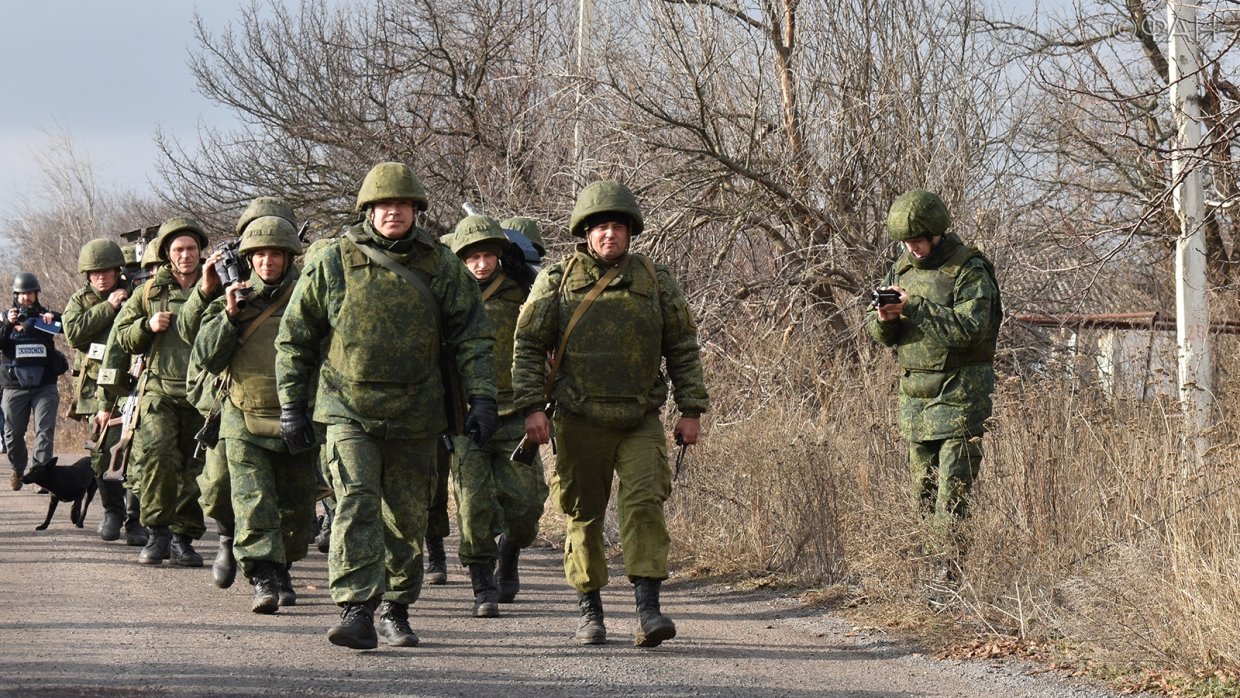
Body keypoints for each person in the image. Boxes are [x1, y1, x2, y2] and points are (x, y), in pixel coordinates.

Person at [276, 161, 498, 650]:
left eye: (401, 204)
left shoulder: (442, 266)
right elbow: (296, 338)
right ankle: (357, 608)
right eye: (383, 204)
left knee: (407, 515)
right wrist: (291, 403)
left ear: (415, 210)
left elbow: (474, 338)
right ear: (368, 210)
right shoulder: (333, 261)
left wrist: (483, 397)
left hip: (418, 412)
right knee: (356, 502)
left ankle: (397, 606)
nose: (392, 211)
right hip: (347, 408)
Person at [512, 180, 709, 648]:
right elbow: (526, 345)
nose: (609, 234)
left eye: (617, 226)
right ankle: (590, 609)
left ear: (630, 231)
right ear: (585, 232)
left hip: (639, 415)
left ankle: (648, 610)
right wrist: (530, 409)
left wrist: (691, 409)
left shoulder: (655, 279)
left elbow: (681, 346)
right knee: (583, 513)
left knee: (644, 504)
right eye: (600, 226)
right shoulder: (557, 279)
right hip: (577, 418)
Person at [864, 189, 1002, 573]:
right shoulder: (903, 268)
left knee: (952, 491)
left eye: (919, 240)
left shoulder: (969, 269)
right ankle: (925, 571)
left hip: (960, 394)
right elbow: (880, 336)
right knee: (920, 491)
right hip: (916, 398)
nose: (914, 248)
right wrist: (885, 319)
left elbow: (971, 330)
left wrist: (916, 307)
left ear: (938, 232)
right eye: (907, 242)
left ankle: (950, 575)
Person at [195, 215, 316, 614]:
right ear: (249, 258)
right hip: (242, 417)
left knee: (297, 505)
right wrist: (229, 315)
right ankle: (263, 576)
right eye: (259, 255)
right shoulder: (233, 298)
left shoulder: (310, 296)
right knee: (253, 501)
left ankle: (283, 568)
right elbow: (207, 358)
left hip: (299, 414)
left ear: (289, 257)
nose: (267, 262)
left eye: (275, 255)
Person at [447, 215, 549, 617]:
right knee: (473, 504)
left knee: (525, 506)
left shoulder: (520, 290)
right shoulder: (449, 296)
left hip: (513, 412)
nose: (481, 264)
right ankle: (482, 584)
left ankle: (510, 551)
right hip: (465, 415)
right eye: (472, 257)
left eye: (488, 255)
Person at [110, 217, 211, 567]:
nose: (186, 255)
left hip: (203, 393)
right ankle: (158, 534)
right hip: (159, 390)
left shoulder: (215, 286)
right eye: (179, 249)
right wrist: (145, 325)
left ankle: (184, 538)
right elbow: (121, 335)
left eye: (191, 249)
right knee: (157, 459)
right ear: (168, 254)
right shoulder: (151, 292)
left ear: (201, 252)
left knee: (195, 466)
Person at [63, 239, 134, 540]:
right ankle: (113, 512)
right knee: (102, 452)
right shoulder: (80, 301)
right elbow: (73, 334)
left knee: (136, 450)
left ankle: (137, 518)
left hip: (132, 380)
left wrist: (126, 300)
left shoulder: (135, 294)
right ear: (87, 275)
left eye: (107, 270)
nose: (101, 277)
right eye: (95, 272)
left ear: (117, 270)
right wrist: (109, 307)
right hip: (95, 387)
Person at [2, 273, 68, 491]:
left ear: (36, 294)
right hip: (14, 386)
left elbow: (69, 326)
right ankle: (18, 469)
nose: (27, 298)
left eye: (30, 293)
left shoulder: (45, 316)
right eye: (22, 294)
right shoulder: (4, 318)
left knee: (44, 430)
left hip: (45, 385)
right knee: (12, 435)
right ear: (15, 295)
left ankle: (40, 475)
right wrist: (8, 325)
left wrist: (52, 317)